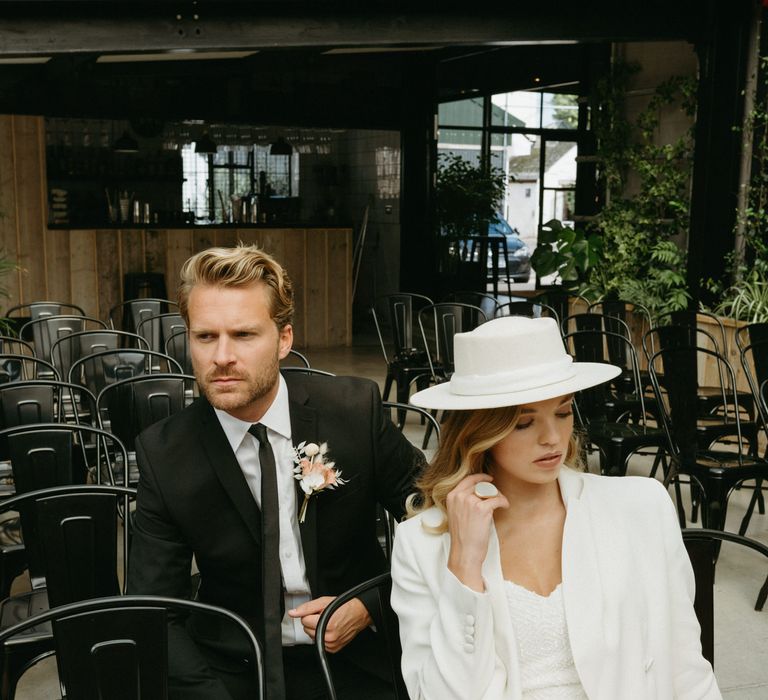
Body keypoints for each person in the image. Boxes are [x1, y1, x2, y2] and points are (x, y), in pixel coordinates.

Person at [127, 244, 425, 700]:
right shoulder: (165, 454)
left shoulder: (352, 412)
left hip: (362, 657)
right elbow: (155, 610)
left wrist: (371, 606)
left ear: (284, 338)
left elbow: (438, 525)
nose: (221, 356)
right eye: (205, 337)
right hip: (233, 669)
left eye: (244, 335)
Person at [390, 315, 721, 700]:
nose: (552, 438)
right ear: (478, 431)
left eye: (563, 413)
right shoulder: (422, 543)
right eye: (524, 423)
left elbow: (685, 665)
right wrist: (464, 567)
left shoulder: (640, 507)